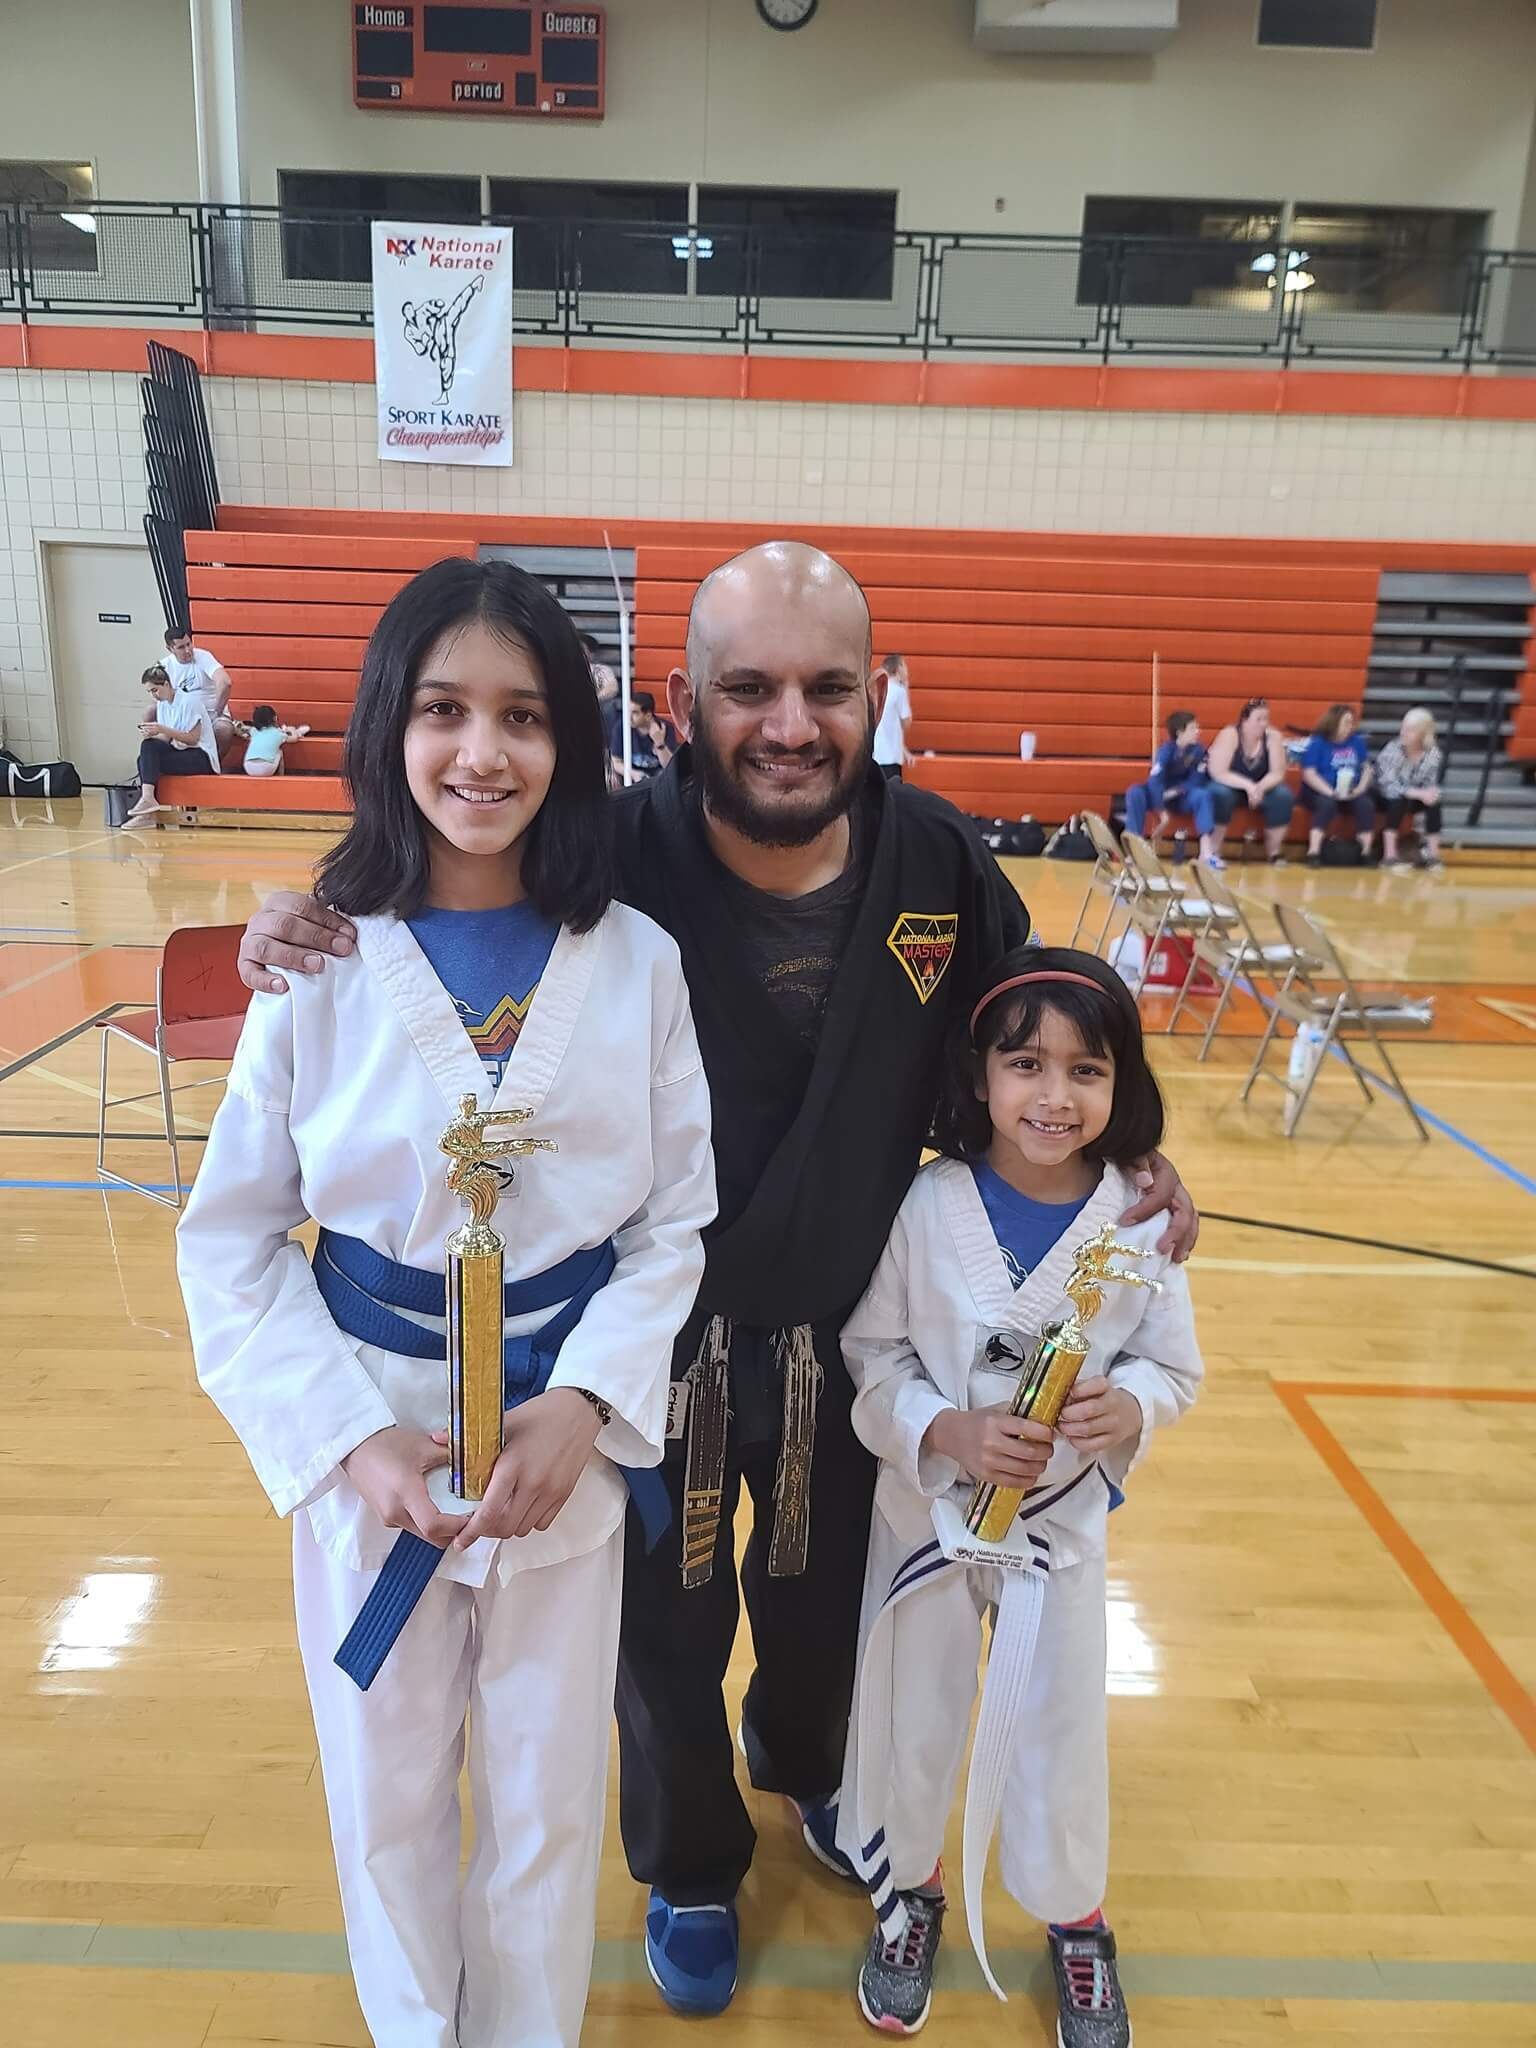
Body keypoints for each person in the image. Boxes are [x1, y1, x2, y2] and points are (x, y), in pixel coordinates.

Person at [232, 541, 1198, 2020]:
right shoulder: (604, 859)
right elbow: (444, 910)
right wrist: (308, 917)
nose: (791, 722)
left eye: (828, 686)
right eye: (749, 687)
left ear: (879, 693)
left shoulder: (942, 864)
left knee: (818, 1607)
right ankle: (690, 1860)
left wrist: (1137, 1152)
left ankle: (806, 1778)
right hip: (643, 1339)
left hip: (855, 1336)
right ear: (684, 703)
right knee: (657, 1636)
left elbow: (1038, 1043)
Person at [177, 558, 716, 2047]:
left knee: (545, 1809)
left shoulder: (637, 965)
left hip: (560, 1459)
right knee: (386, 1795)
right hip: (377, 1453)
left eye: (523, 718)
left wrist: (588, 1402)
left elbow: (675, 1226)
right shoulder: (323, 968)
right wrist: (354, 1444)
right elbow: (228, 1242)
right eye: (444, 710)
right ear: (386, 729)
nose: (483, 753)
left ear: (573, 744)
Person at [835, 946, 1201, 2045]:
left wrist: (1132, 1404)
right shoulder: (927, 1200)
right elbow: (873, 1351)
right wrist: (941, 1427)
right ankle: (913, 1892)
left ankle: (1075, 1917)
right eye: (1025, 1064)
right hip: (929, 1522)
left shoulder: (1138, 1217)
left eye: (1087, 1071)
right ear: (980, 1075)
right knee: (915, 1714)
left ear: (1121, 1085)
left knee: (1058, 1726)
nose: (1054, 1095)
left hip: (1060, 1529)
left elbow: (1175, 1368)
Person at [1122, 712, 1224, 865]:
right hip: (1161, 795)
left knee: (1203, 795)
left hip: (1182, 796)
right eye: (1193, 728)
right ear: (1180, 732)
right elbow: (1155, 780)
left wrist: (1178, 790)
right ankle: (1134, 850)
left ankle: (1206, 852)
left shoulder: (1199, 751)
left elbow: (1197, 779)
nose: (1198, 731)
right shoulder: (1165, 752)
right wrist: (1161, 811)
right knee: (1135, 792)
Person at [1204, 696, 1295, 864]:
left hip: (1260, 786)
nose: (1264, 724)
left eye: (1266, 719)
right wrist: (1248, 786)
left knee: (1283, 796)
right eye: (1258, 719)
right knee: (1219, 794)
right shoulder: (1230, 734)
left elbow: (1277, 773)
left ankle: (1274, 853)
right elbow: (1218, 772)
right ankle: (1214, 850)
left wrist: (1259, 788)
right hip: (1231, 784)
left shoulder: (1273, 737)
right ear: (1245, 721)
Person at [127, 663, 220, 824]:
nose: (153, 695)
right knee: (146, 752)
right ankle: (147, 801)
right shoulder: (162, 705)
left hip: (201, 756)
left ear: (166, 684)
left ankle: (147, 808)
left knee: (149, 760)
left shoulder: (190, 702)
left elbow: (193, 739)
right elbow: (165, 740)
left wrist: (162, 729)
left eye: (155, 690)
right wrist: (152, 735)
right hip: (181, 751)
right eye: (149, 692)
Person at [1299, 704, 1375, 867]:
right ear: (1334, 722)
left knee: (1365, 804)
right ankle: (1314, 852)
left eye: (1352, 722)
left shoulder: (1356, 742)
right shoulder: (1318, 742)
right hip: (1320, 789)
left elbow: (1367, 768)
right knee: (1326, 803)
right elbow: (1309, 774)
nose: (1350, 726)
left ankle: (1365, 852)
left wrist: (1360, 788)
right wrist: (1330, 792)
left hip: (1350, 790)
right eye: (1346, 722)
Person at [1375, 707, 1445, 872]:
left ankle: (1433, 856)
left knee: (1434, 801)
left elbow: (1430, 782)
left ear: (1423, 734)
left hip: (1413, 796)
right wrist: (1418, 793)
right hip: (1384, 795)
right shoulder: (1393, 749)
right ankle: (1389, 857)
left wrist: (1429, 793)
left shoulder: (1433, 754)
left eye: (1410, 730)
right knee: (1397, 800)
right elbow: (1388, 783)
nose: (1403, 733)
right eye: (1403, 728)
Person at [161, 626, 237, 757]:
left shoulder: (203, 656)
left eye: (189, 644)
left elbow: (225, 682)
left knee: (224, 730)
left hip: (211, 714)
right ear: (170, 649)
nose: (188, 650)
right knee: (150, 712)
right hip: (182, 716)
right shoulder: (164, 666)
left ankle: (213, 765)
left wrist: (216, 711)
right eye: (181, 647)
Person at [234, 704, 310, 778]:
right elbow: (293, 738)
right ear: (275, 718)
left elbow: (243, 729)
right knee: (279, 751)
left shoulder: (254, 731)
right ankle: (280, 776)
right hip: (266, 769)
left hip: (248, 767)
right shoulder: (278, 733)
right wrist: (291, 728)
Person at [873, 651, 912, 781]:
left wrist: (904, 750)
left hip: (877, 755)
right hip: (891, 758)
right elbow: (906, 722)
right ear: (899, 668)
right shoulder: (899, 691)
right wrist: (906, 688)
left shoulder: (877, 689)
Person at [622, 691, 675, 780]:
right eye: (628, 711)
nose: (629, 717)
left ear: (648, 715)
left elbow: (669, 766)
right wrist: (633, 773)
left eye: (635, 713)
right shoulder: (622, 727)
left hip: (659, 777)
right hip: (633, 776)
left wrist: (659, 743)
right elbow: (615, 762)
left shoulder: (665, 728)